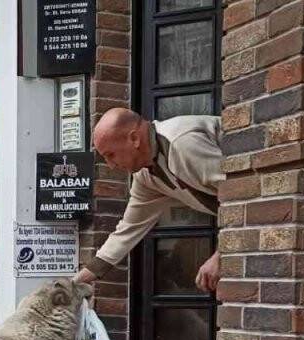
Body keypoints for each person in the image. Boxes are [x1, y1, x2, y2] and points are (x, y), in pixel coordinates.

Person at [74, 108, 224, 292]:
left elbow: (240, 193)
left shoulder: (182, 143)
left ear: (134, 138)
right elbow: (129, 229)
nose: (111, 166)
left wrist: (221, 255)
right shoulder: (146, 176)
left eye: (110, 155)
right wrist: (74, 284)